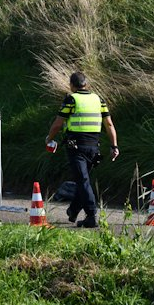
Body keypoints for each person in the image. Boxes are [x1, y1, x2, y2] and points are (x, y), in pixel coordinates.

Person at [45, 71, 119, 228]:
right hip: (94, 147)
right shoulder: (99, 99)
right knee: (83, 180)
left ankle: (91, 215)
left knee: (83, 180)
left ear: (72, 85)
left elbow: (58, 124)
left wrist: (49, 139)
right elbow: (109, 124)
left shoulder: (71, 100)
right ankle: (73, 210)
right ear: (86, 84)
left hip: (76, 147)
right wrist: (114, 146)